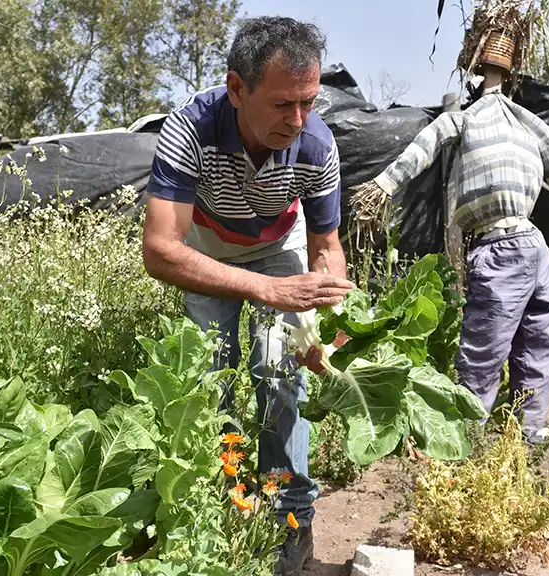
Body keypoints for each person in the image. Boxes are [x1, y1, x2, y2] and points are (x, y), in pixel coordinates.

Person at [140, 15, 351, 575]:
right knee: (211, 382)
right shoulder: (191, 130)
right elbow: (162, 249)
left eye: (309, 101)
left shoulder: (316, 145)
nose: (299, 119)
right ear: (238, 89)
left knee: (282, 378)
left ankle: (290, 518)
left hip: (276, 246)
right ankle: (231, 506)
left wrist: (328, 326)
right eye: (284, 104)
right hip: (205, 252)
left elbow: (326, 246)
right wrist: (267, 290)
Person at [349, 16, 549, 445]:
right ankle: (532, 432)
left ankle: (467, 435)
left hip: (500, 246)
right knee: (539, 341)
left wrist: (380, 187)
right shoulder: (530, 123)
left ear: (475, 64)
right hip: (533, 243)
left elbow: (421, 150)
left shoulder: (463, 119)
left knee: (484, 348)